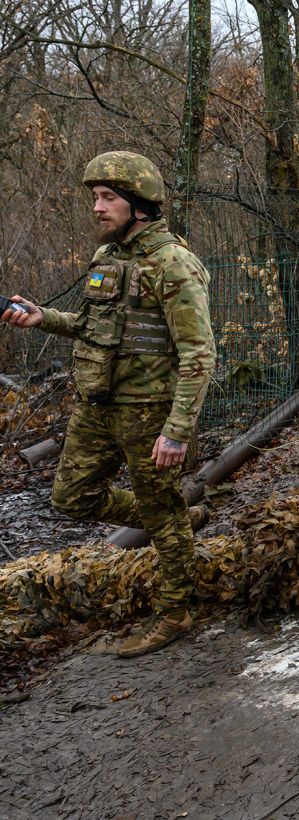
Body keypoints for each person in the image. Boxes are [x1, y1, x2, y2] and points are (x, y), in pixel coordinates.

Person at [1, 151, 215, 658]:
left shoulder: (173, 263)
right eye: (95, 197)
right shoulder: (108, 259)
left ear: (139, 205)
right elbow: (93, 327)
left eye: (108, 198)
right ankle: (174, 520)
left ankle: (176, 612)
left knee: (162, 516)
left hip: (150, 415)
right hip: (97, 407)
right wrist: (43, 318)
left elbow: (199, 354)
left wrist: (177, 430)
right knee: (71, 498)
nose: (97, 208)